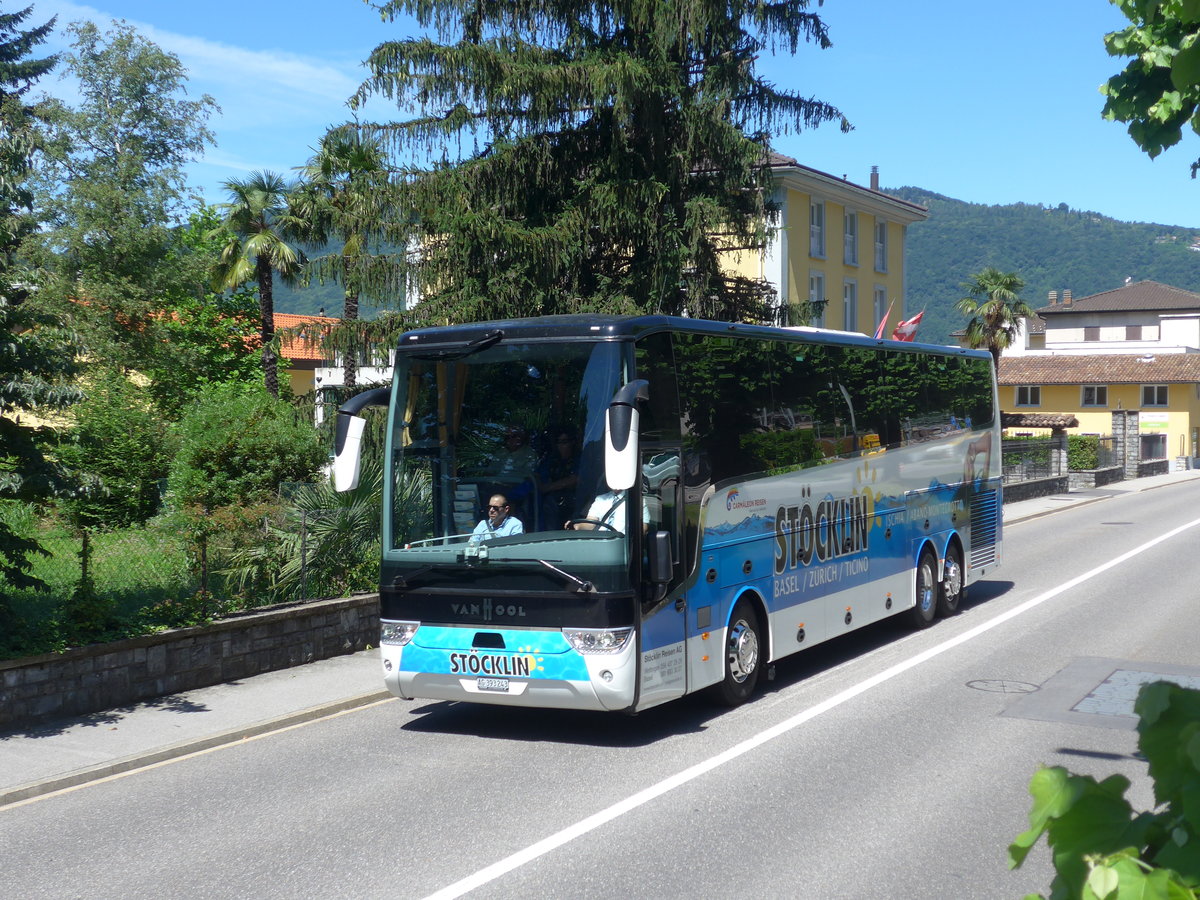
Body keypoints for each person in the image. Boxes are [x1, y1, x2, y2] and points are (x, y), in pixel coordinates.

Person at [537, 429, 579, 527]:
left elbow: (575, 479)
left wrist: (547, 487)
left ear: (572, 442)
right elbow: (536, 475)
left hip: (574, 498)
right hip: (548, 498)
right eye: (558, 442)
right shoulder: (551, 459)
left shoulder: (579, 458)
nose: (560, 445)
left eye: (564, 442)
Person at [566, 488, 649, 534]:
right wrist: (576, 526)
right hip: (599, 544)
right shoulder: (601, 499)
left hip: (622, 546)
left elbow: (643, 529)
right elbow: (590, 524)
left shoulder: (638, 500)